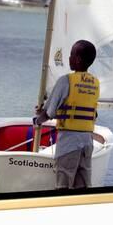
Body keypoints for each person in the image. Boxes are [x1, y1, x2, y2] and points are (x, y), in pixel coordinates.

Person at [34, 40, 100, 189]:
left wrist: (37, 120)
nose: (69, 58)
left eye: (71, 55)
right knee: (82, 187)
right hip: (87, 144)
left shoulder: (66, 81)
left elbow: (49, 113)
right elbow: (92, 114)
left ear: (77, 59)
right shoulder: (95, 83)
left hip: (69, 144)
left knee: (63, 186)